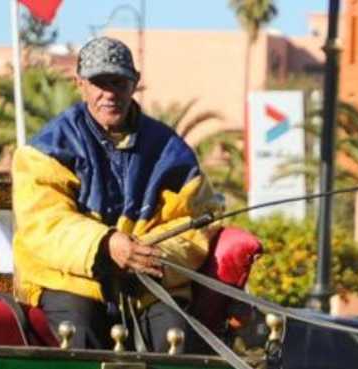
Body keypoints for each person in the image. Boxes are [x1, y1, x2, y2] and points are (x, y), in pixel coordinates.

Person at [12, 36, 216, 351]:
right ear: (80, 83)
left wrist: (153, 255)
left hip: (149, 282)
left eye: (119, 82)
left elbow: (197, 223)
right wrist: (107, 244)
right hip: (70, 279)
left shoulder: (172, 152)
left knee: (175, 340)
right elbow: (44, 223)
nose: (110, 94)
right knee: (79, 333)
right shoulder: (46, 149)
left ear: (134, 84)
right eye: (99, 82)